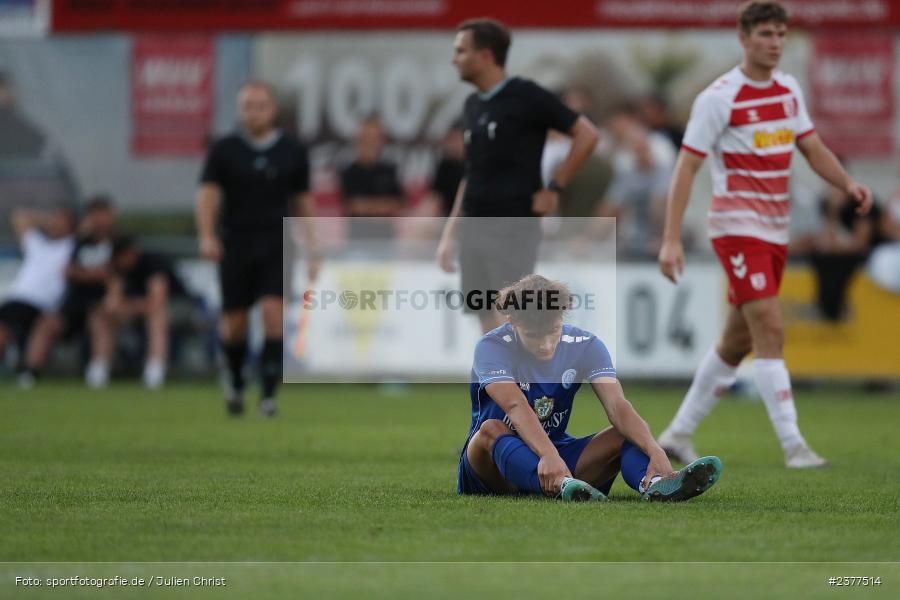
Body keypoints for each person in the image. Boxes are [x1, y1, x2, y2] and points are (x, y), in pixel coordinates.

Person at [656, 1, 873, 469]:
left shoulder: (788, 90)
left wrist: (847, 184)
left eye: (780, 35)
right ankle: (794, 445)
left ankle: (676, 434)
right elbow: (686, 167)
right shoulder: (719, 97)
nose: (774, 44)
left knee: (738, 341)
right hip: (737, 229)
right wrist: (671, 238)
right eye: (765, 35)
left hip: (775, 231)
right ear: (744, 38)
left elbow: (811, 147)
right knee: (770, 327)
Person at [458, 274, 723, 501]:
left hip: (556, 456)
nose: (546, 345)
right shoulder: (491, 347)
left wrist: (655, 449)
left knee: (624, 433)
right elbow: (515, 406)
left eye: (553, 331)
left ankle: (654, 485)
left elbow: (618, 406)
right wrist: (548, 455)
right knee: (490, 430)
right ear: (512, 322)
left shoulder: (585, 344)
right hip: (493, 468)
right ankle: (562, 485)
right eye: (534, 336)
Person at [436, 18, 600, 333]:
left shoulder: (526, 96)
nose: (454, 58)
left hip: (513, 225)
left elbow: (587, 134)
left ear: (484, 56)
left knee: (509, 315)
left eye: (461, 51)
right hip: (474, 226)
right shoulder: (472, 105)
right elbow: (471, 173)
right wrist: (449, 234)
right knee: (484, 317)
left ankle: (520, 380)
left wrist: (555, 186)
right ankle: (498, 382)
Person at [196, 80, 319, 417]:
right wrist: (207, 235)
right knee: (234, 323)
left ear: (272, 109)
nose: (254, 112)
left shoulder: (292, 151)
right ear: (240, 110)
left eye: (260, 105)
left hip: (277, 243)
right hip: (235, 242)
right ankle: (235, 382)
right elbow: (207, 195)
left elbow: (303, 202)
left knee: (272, 316)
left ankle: (267, 395)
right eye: (248, 106)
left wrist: (313, 248)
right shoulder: (224, 149)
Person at [20, 196, 117, 388]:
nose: (99, 219)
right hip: (73, 304)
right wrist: (90, 274)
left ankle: (98, 372)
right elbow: (68, 271)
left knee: (99, 319)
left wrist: (86, 274)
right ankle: (30, 374)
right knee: (47, 323)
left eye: (103, 214)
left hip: (103, 303)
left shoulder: (118, 242)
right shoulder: (78, 243)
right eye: (94, 214)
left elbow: (112, 273)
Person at [84, 235, 188, 389]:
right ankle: (99, 368)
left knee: (157, 316)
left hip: (179, 307)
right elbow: (113, 300)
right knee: (101, 316)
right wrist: (115, 307)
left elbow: (156, 302)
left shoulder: (153, 264)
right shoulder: (117, 268)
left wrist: (126, 307)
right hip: (136, 310)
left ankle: (155, 372)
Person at [0, 207, 75, 369]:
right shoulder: (38, 245)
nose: (57, 224)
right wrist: (49, 220)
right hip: (16, 298)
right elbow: (19, 216)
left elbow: (89, 227)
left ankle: (30, 372)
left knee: (40, 329)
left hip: (41, 304)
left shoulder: (71, 246)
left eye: (61, 221)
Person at [601, 103, 676, 258]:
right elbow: (612, 204)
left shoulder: (662, 163)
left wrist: (661, 238)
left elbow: (661, 203)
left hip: (663, 234)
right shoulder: (627, 170)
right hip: (635, 235)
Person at [340, 115, 404, 241]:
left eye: (375, 138)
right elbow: (354, 206)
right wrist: (382, 208)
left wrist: (367, 207)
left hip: (386, 239)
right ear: (359, 139)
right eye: (367, 137)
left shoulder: (389, 169)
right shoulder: (349, 171)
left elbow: (397, 205)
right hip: (357, 238)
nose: (371, 142)